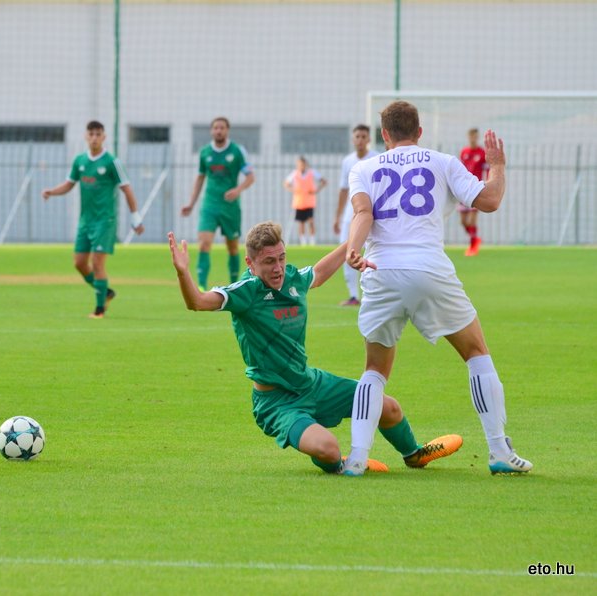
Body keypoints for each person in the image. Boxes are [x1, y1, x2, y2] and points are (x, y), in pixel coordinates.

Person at [169, 221, 462, 475]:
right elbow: (196, 301)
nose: (278, 267)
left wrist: (356, 240)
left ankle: (414, 455)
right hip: (276, 403)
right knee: (328, 449)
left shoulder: (293, 279)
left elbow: (319, 273)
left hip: (311, 384)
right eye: (269, 261)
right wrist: (183, 273)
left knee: (387, 406)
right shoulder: (245, 292)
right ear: (250, 264)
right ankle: (339, 464)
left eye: (281, 258)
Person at [344, 100, 531, 476]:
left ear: (383, 135)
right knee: (476, 353)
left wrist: (352, 249)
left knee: (374, 371)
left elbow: (364, 214)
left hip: (381, 270)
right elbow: (490, 201)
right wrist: (497, 166)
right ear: (420, 132)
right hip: (429, 268)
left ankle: (357, 458)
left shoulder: (364, 167)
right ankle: (499, 451)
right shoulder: (442, 161)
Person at [42, 121, 144, 319]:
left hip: (105, 221)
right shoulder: (80, 161)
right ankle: (105, 292)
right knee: (79, 263)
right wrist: (51, 192)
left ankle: (99, 309)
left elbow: (127, 188)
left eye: (98, 134)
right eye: (91, 134)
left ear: (104, 137)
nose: (95, 137)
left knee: (98, 263)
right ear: (86, 137)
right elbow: (69, 184)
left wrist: (135, 217)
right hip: (85, 221)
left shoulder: (112, 162)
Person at [181, 117, 255, 291]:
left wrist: (237, 190)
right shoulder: (205, 152)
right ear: (211, 131)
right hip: (210, 204)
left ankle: (235, 283)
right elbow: (200, 178)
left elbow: (251, 177)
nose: (218, 131)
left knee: (232, 247)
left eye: (222, 128)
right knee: (204, 242)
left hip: (230, 207)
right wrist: (191, 203)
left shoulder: (237, 151)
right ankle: (200, 285)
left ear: (227, 130)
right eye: (215, 128)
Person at [334, 125, 378, 306]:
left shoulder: (376, 158)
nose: (360, 139)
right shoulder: (347, 161)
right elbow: (344, 190)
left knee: (373, 251)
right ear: (353, 140)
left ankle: (374, 293)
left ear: (368, 139)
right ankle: (354, 295)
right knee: (348, 252)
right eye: (357, 136)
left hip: (370, 214)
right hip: (350, 216)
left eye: (363, 136)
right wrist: (337, 216)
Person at [457, 128, 488, 256]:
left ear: (478, 137)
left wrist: (487, 184)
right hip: (464, 189)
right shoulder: (464, 152)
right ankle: (475, 239)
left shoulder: (482, 153)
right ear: (468, 137)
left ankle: (473, 246)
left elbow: (487, 169)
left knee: (472, 220)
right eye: (471, 137)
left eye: (475, 137)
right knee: (463, 222)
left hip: (476, 189)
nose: (473, 139)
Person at [283, 156, 326, 246]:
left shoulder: (312, 173)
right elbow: (286, 183)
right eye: (299, 164)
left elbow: (323, 181)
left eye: (302, 164)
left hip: (309, 201)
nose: (301, 166)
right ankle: (303, 242)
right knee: (301, 223)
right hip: (299, 202)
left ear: (305, 164)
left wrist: (316, 190)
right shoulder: (295, 174)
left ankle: (312, 241)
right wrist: (293, 190)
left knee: (311, 221)